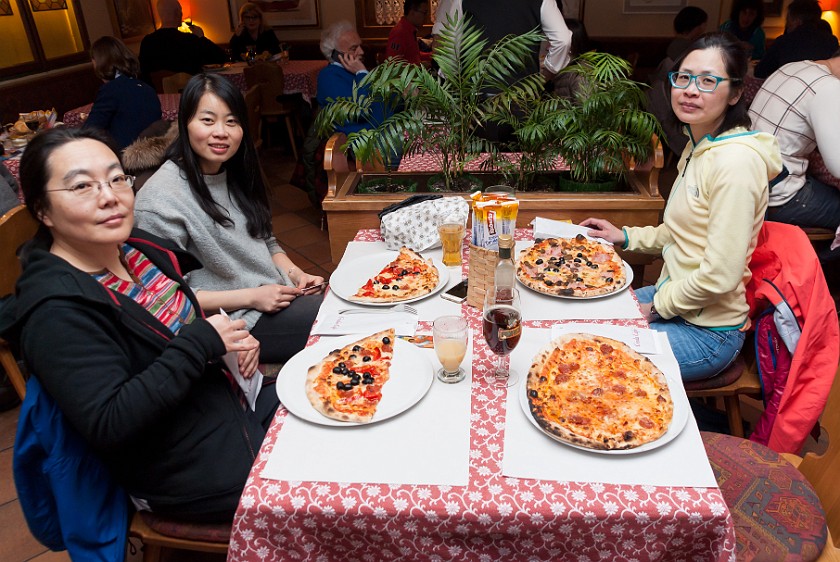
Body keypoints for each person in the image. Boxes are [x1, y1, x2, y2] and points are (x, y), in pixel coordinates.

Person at [0, 127, 277, 522]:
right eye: (82, 186)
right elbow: (110, 421)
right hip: (179, 465)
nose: (110, 196)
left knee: (333, 414)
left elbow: (178, 322)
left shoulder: (133, 248)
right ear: (43, 211)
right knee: (323, 483)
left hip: (224, 401)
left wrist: (227, 340)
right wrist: (200, 343)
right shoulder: (56, 311)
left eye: (116, 178)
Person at [581, 33, 783, 382]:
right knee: (582, 312)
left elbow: (720, 276)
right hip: (677, 302)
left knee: (593, 361)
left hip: (708, 333)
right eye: (684, 78)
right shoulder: (700, 144)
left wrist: (656, 307)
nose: (690, 90)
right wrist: (625, 236)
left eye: (707, 81)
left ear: (735, 93)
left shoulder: (735, 164)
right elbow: (682, 232)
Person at [135, 74, 324, 364]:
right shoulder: (159, 200)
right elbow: (166, 298)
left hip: (273, 296)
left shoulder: (233, 171)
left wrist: (298, 274)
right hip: (235, 321)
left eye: (232, 121)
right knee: (341, 324)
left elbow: (265, 240)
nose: (221, 132)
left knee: (351, 302)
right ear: (185, 124)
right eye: (208, 120)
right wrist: (252, 297)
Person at [749, 50, 840, 262]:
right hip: (780, 197)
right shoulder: (829, 87)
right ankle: (813, 271)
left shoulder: (792, 67)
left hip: (754, 180)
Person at [432, 0, 572, 79]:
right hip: (522, 95)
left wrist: (450, 79)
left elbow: (451, 49)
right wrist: (546, 74)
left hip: (477, 95)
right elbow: (563, 40)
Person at [83, 36, 162, 150]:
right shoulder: (147, 88)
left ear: (100, 63)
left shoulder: (111, 90)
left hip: (126, 158)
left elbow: (89, 130)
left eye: (94, 62)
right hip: (153, 155)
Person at [316, 21, 392, 137]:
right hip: (364, 143)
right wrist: (361, 73)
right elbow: (362, 109)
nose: (361, 51)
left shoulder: (353, 72)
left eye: (360, 46)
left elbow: (382, 102)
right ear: (336, 54)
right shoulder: (329, 77)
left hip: (386, 133)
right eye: (353, 48)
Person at [139, 0, 226, 85]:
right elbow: (221, 57)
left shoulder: (147, 42)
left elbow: (142, 73)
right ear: (178, 14)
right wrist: (201, 38)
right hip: (189, 95)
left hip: (160, 97)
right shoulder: (190, 40)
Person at [754, 0, 838, 79]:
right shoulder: (832, 42)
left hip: (789, 90)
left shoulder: (784, 42)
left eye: (788, 19)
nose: (786, 23)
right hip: (821, 90)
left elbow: (760, 72)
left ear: (796, 21)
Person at [386, 0, 432, 66]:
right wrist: (419, 66)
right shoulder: (399, 32)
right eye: (424, 13)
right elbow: (393, 65)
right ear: (412, 12)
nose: (426, 17)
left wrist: (432, 56)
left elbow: (413, 55)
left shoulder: (409, 30)